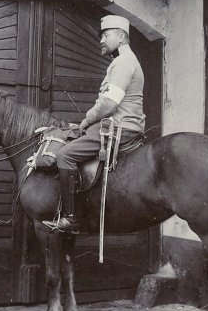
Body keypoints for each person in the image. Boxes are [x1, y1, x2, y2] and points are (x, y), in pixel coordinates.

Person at [50, 14, 145, 233]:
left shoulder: (123, 62)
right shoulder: (124, 61)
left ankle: (71, 218)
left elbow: (109, 104)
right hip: (119, 126)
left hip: (119, 128)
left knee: (64, 155)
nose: (101, 40)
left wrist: (86, 120)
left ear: (121, 37)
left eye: (105, 35)